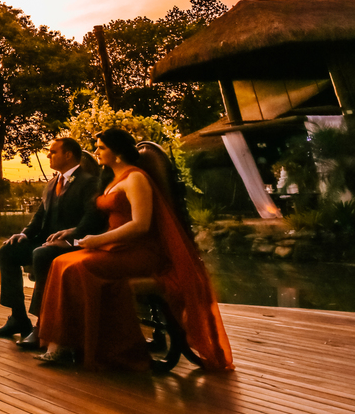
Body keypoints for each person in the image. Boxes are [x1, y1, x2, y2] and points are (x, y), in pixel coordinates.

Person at [36, 128, 234, 371]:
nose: (96, 151)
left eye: (101, 147)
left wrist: (99, 240)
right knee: (61, 262)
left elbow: (141, 225)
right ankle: (62, 343)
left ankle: (71, 345)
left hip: (139, 252)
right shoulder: (112, 180)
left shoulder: (136, 178)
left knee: (77, 265)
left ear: (117, 152)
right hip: (115, 247)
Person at [0, 138, 103, 349]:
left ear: (68, 155)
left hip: (72, 244)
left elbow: (92, 218)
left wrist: (72, 236)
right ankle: (18, 318)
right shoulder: (52, 183)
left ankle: (42, 326)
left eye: (53, 152)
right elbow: (40, 216)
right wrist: (24, 234)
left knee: (40, 254)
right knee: (7, 251)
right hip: (44, 242)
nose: (48, 155)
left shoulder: (89, 182)